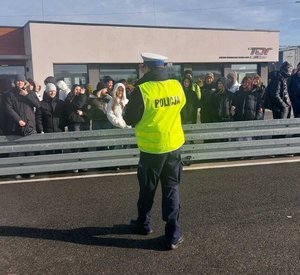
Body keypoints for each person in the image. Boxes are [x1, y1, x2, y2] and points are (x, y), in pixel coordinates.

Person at [124, 53, 186, 250]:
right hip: (174, 145)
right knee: (172, 188)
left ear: (146, 67)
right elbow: (181, 107)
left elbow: (129, 119)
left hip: (151, 149)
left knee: (147, 188)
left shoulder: (142, 90)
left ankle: (144, 224)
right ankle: (173, 234)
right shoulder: (176, 85)